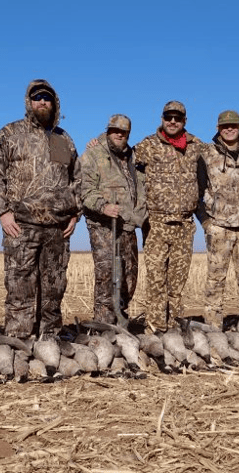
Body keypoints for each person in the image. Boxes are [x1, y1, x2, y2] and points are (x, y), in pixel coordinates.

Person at [0, 79, 81, 340]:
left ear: (54, 104)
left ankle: (49, 340)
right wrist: (3, 212)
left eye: (47, 97)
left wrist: (75, 214)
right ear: (29, 102)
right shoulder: (10, 133)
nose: (42, 101)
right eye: (37, 97)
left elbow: (77, 179)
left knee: (54, 287)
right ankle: (19, 341)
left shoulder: (64, 139)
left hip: (57, 228)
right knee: (20, 286)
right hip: (22, 224)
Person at [134, 101, 203, 332]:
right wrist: (99, 143)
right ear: (162, 118)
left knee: (177, 281)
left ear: (185, 120)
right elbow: (121, 154)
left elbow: (221, 152)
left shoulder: (196, 146)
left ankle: (172, 327)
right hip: (156, 223)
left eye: (177, 117)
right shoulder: (148, 145)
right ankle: (155, 328)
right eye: (168, 117)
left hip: (185, 225)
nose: (172, 121)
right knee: (156, 281)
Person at [80, 114, 148, 324]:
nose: (119, 134)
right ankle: (103, 325)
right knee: (107, 277)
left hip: (128, 225)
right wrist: (103, 206)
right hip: (103, 227)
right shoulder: (93, 154)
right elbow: (84, 189)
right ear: (108, 131)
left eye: (123, 131)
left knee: (129, 278)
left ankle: (121, 319)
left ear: (128, 134)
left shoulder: (135, 156)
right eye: (114, 130)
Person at [197, 110, 239, 329]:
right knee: (215, 281)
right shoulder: (207, 154)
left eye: (233, 125)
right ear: (218, 129)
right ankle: (213, 328)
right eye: (225, 126)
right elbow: (199, 191)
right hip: (219, 227)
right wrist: (207, 223)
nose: (229, 128)